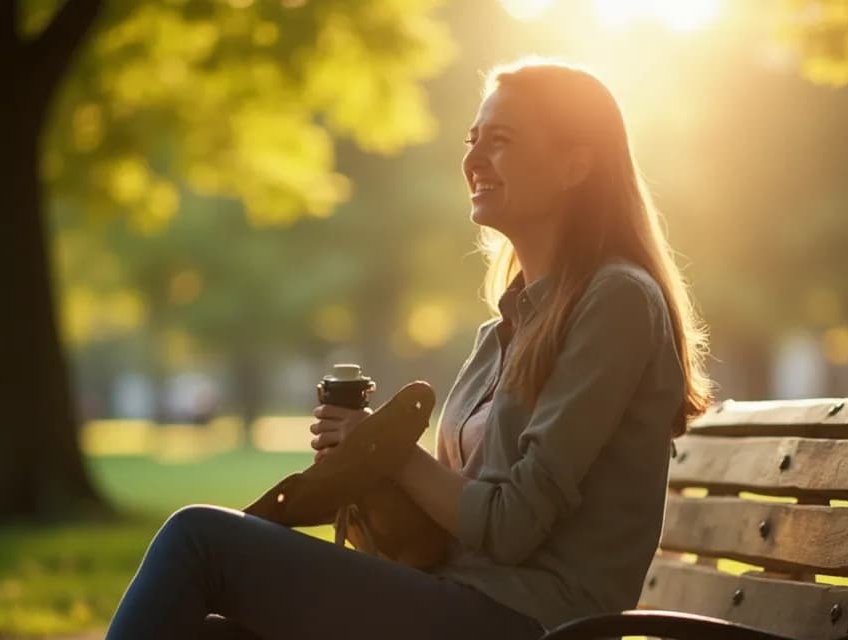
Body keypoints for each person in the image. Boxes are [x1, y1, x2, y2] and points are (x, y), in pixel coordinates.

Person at [105, 58, 714, 639]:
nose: (472, 159)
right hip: (460, 600)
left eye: (499, 140)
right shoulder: (505, 327)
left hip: (532, 623)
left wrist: (391, 451)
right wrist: (364, 467)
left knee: (198, 541)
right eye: (471, 139)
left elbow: (511, 528)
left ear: (575, 164)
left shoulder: (617, 301)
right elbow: (457, 523)